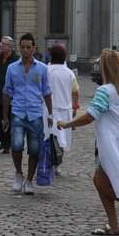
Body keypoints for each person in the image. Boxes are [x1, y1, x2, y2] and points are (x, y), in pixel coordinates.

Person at [57, 49, 119, 236]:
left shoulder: (105, 90)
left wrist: (67, 124)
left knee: (104, 184)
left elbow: (90, 116)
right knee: (100, 181)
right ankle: (114, 224)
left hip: (110, 144)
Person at [3, 34, 54, 194]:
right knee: (16, 145)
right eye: (22, 47)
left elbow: (46, 91)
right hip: (17, 111)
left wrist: (50, 113)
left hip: (35, 112)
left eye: (28, 47)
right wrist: (4, 116)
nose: (25, 50)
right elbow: (7, 91)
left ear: (34, 48)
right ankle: (18, 173)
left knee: (34, 148)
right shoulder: (12, 68)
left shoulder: (42, 68)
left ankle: (30, 180)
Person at [45, 43, 79, 173]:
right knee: (62, 138)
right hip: (65, 110)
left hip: (49, 109)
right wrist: (74, 107)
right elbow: (76, 92)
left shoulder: (46, 71)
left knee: (49, 136)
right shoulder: (70, 73)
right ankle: (57, 164)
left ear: (51, 56)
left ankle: (49, 161)